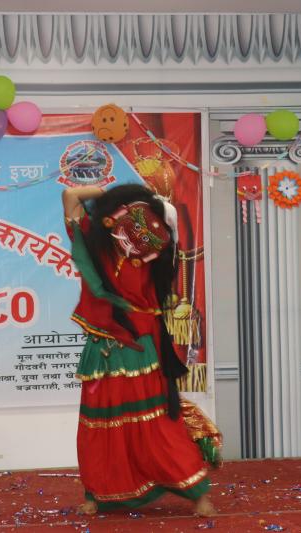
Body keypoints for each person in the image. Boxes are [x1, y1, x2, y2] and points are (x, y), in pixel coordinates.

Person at [62, 184, 216, 516]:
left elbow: (71, 196)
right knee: (123, 426)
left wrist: (110, 197)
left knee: (123, 426)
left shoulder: (121, 246)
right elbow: (72, 198)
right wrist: (121, 199)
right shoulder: (132, 248)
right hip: (121, 349)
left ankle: (98, 497)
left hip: (127, 350)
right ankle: (98, 495)